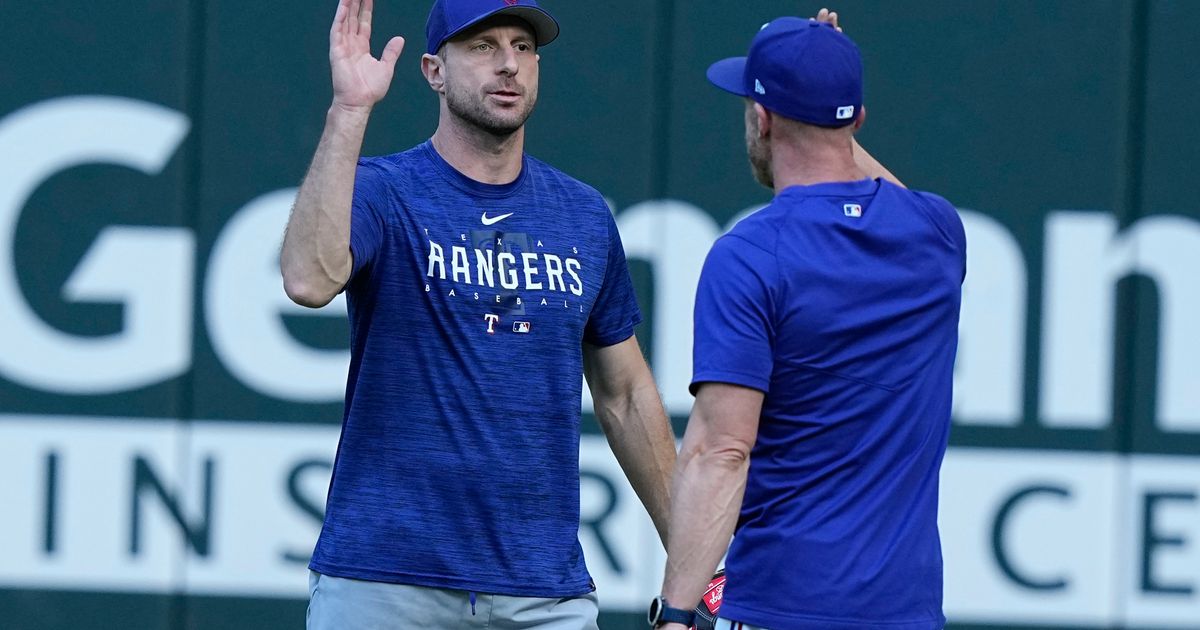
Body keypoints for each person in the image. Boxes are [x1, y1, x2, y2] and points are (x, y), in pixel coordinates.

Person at [279, 0, 677, 627]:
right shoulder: (385, 191)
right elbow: (307, 279)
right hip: (387, 580)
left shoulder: (582, 214)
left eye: (523, 46)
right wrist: (350, 111)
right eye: (483, 46)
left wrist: (696, 557)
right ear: (434, 71)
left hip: (543, 590)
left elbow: (625, 394)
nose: (509, 65)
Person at [650, 12, 965, 630]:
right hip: (907, 613)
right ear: (857, 123)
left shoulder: (750, 254)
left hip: (781, 606)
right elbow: (876, 184)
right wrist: (828, 91)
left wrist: (679, 613)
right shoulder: (937, 234)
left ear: (761, 118)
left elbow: (721, 450)